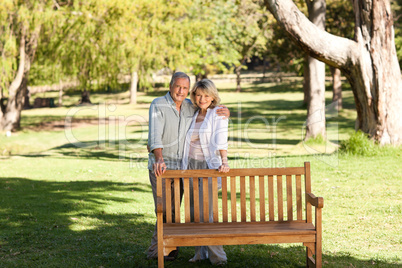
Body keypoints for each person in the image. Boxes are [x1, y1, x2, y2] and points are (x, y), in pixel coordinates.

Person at [146, 72, 229, 261]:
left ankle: (212, 255)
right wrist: (158, 156)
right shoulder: (160, 104)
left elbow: (218, 131)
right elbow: (155, 134)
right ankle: (162, 250)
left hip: (194, 168)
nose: (181, 91)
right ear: (170, 85)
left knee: (199, 213)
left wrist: (226, 112)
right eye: (178, 86)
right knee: (168, 211)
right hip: (166, 167)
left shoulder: (193, 108)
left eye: (185, 88)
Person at [181, 79, 229, 265]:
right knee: (194, 212)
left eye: (206, 95)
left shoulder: (217, 113)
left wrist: (224, 161)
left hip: (209, 166)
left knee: (206, 214)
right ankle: (200, 253)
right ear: (194, 96)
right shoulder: (192, 113)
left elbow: (221, 139)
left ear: (213, 97)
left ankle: (218, 257)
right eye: (199, 95)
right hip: (190, 166)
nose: (202, 99)